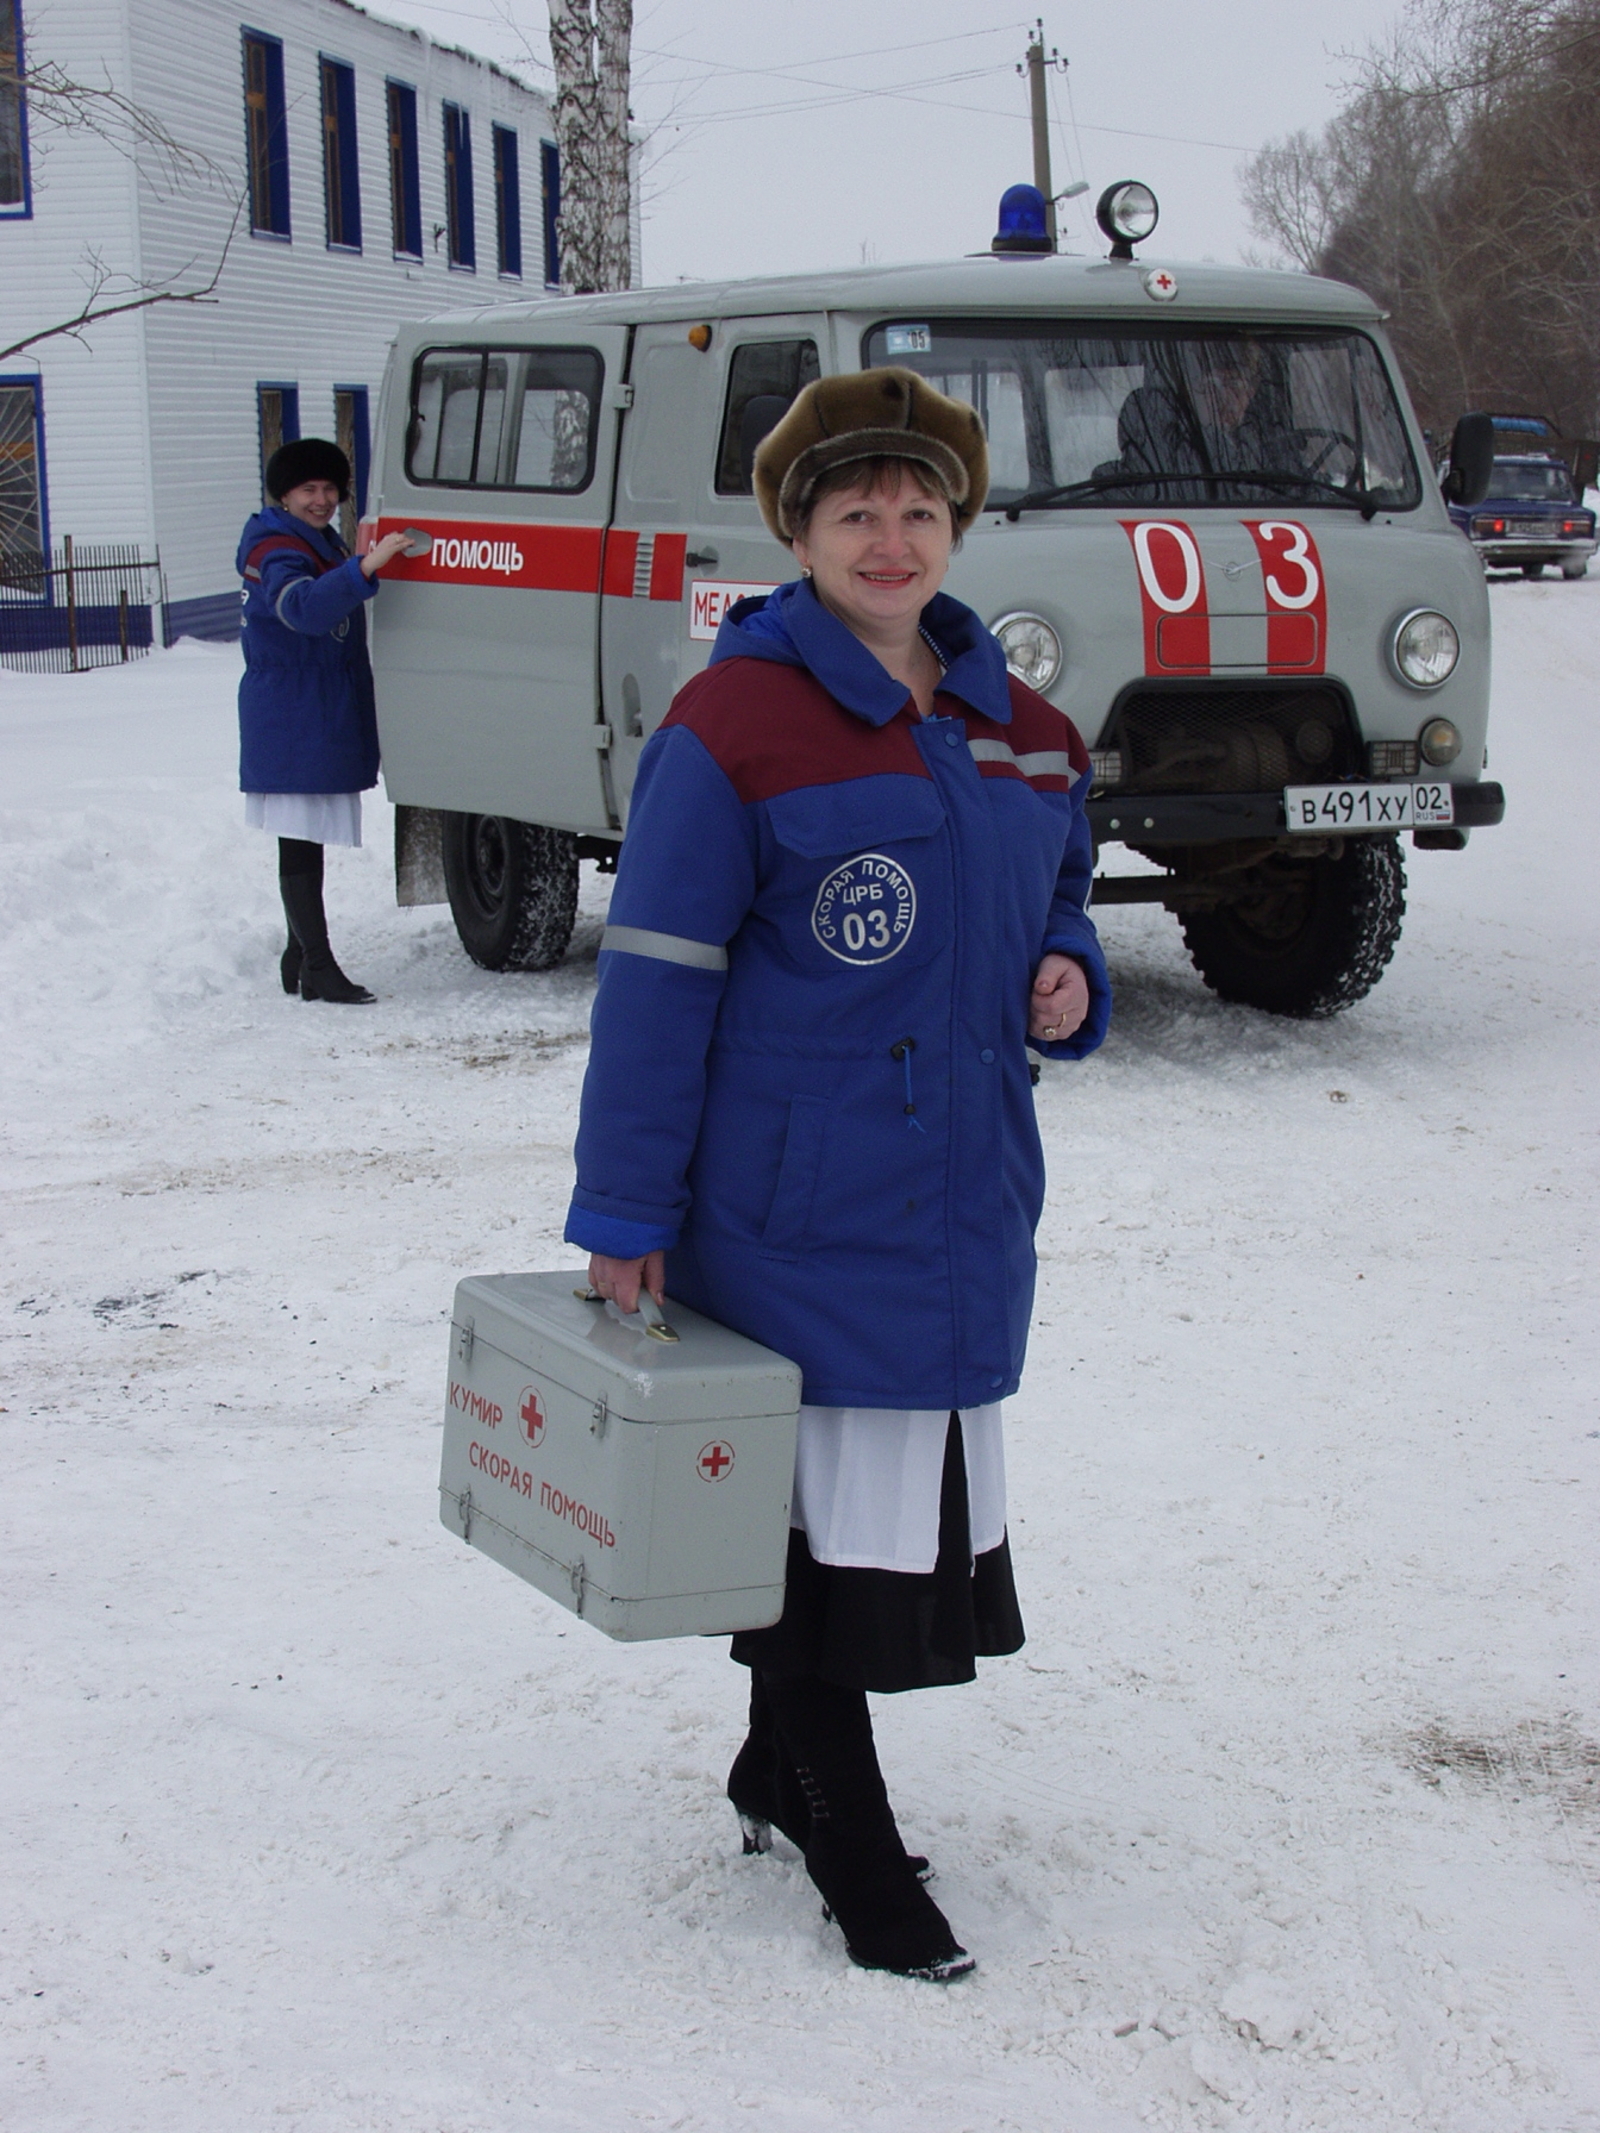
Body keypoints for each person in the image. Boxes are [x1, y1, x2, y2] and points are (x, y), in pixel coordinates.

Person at [562, 367, 1111, 1981]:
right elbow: (656, 980)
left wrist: (1067, 969)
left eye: (920, 508)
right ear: (796, 529)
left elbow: (1061, 888)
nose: (891, 535)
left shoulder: (1020, 726)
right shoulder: (730, 725)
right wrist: (624, 1213)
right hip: (791, 1208)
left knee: (849, 1523)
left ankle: (769, 1767)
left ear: (959, 527)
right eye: (856, 508)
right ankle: (852, 1840)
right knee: (816, 1549)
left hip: (955, 1201)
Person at [236, 439, 410, 1004]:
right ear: (284, 494)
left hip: (314, 704)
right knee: (300, 839)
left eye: (330, 490)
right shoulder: (275, 548)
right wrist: (364, 568)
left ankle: (298, 956)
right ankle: (317, 963)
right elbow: (303, 609)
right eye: (308, 490)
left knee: (306, 835)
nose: (321, 500)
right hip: (292, 709)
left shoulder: (317, 540)